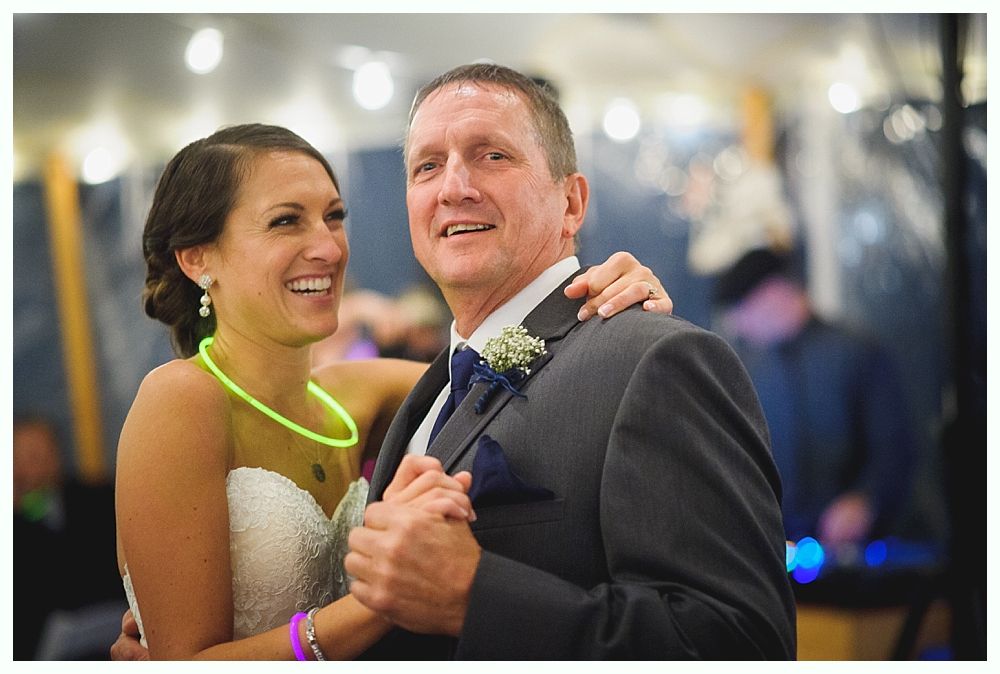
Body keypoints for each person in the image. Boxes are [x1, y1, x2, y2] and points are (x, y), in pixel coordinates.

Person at [112, 122, 673, 659]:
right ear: (198, 258)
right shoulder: (181, 398)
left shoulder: (358, 395)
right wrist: (385, 598)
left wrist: (599, 304)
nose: (329, 249)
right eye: (286, 222)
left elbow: (525, 377)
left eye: (333, 217)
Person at [342, 64, 796, 659]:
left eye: (492, 156)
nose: (453, 186)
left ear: (572, 202)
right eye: (427, 165)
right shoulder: (428, 389)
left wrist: (474, 594)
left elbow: (742, 643)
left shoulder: (656, 360)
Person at [713, 247, 914, 547]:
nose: (742, 327)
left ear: (775, 294)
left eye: (745, 312)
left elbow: (895, 446)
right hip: (773, 550)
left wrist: (866, 500)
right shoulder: (747, 368)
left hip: (852, 551)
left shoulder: (857, 352)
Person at [14, 415, 123, 659]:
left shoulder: (98, 498)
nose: (40, 466)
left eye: (46, 454)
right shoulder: (15, 523)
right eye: (30, 457)